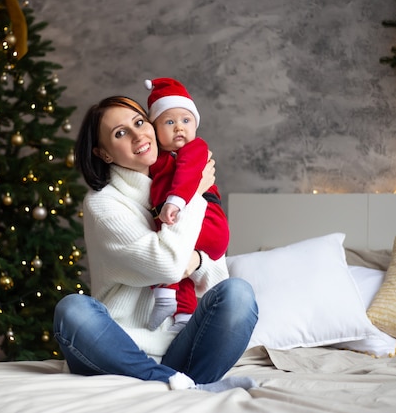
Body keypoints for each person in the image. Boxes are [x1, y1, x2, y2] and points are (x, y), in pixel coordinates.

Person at [53, 95, 258, 392]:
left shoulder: (183, 179)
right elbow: (168, 265)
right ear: (104, 154)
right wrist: (193, 195)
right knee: (73, 310)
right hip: (118, 350)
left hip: (182, 350)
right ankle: (172, 383)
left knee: (239, 294)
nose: (138, 135)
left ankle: (180, 382)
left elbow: (215, 278)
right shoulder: (103, 204)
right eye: (120, 133)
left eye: (139, 122)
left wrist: (197, 260)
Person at [144, 77, 230, 332]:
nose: (179, 127)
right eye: (169, 122)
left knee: (170, 250)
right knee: (183, 271)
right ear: (155, 130)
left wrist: (176, 202)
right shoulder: (157, 158)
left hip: (209, 220)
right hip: (183, 219)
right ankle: (182, 318)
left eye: (186, 120)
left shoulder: (196, 149)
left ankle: (165, 296)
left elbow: (188, 175)